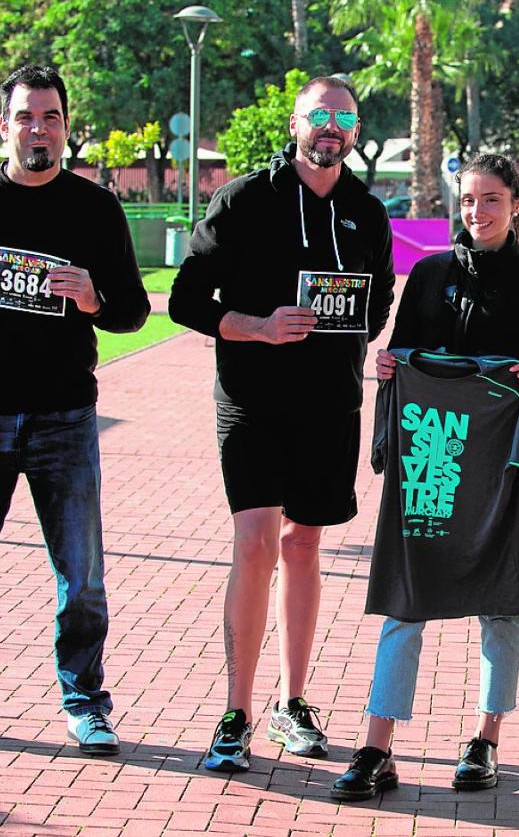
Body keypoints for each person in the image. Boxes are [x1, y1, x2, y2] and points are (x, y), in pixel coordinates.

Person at [0, 64, 150, 754]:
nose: (37, 129)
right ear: (3, 124)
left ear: (66, 126)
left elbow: (133, 311)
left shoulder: (95, 207)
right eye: (24, 117)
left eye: (50, 117)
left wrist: (93, 298)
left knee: (82, 578)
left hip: (65, 418)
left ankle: (86, 705)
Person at [330, 153, 519, 801]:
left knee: (501, 600)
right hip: (431, 455)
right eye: (468, 200)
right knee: (404, 598)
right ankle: (377, 746)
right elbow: (399, 356)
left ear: (516, 203)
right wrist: (388, 369)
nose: (477, 212)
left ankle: (484, 739)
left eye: (491, 200)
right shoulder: (430, 274)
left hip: (497, 463)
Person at [169, 75, 395, 772]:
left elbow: (379, 300)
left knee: (303, 546)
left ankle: (291, 703)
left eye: (344, 119)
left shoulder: (367, 211)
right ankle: (235, 712)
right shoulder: (241, 200)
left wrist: (348, 340)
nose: (331, 128)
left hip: (330, 405)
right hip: (251, 401)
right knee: (256, 541)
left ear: (354, 134)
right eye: (320, 116)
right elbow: (184, 301)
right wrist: (259, 328)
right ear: (296, 122)